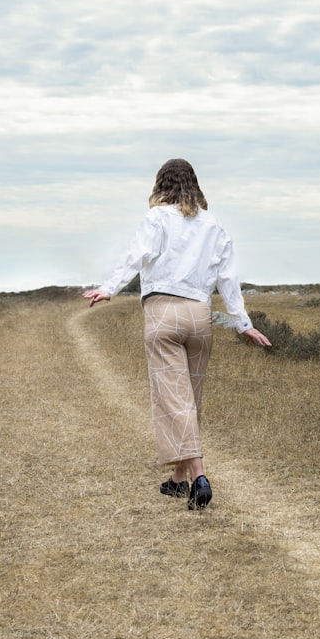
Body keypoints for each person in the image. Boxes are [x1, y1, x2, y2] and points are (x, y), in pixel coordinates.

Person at [83, 159, 271, 510]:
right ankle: (177, 481)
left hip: (163, 313)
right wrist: (243, 323)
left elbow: (136, 256)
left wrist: (109, 288)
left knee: (173, 398)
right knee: (189, 398)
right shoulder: (214, 226)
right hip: (200, 316)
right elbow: (228, 279)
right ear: (195, 185)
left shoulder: (157, 218)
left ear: (161, 184)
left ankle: (199, 475)